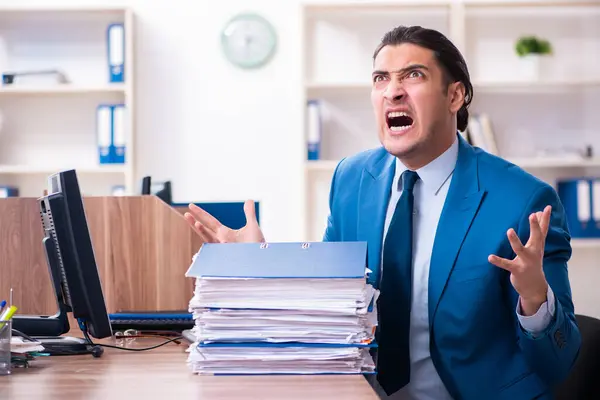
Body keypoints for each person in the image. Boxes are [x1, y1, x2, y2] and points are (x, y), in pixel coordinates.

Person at [184, 25, 581, 400]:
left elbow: (558, 362)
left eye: (413, 75)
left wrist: (535, 298)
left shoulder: (522, 200)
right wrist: (257, 266)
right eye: (380, 79)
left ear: (455, 96)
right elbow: (331, 303)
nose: (392, 92)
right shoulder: (352, 179)